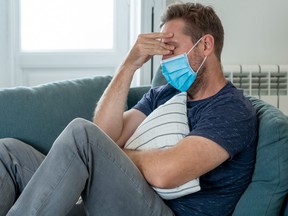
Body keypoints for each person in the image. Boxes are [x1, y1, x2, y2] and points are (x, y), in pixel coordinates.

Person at [0, 2, 257, 216]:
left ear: (205, 45)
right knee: (8, 151)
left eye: (172, 49)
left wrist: (113, 155)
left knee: (82, 134)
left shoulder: (231, 109)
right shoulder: (167, 94)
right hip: (118, 197)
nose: (165, 61)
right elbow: (106, 135)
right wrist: (129, 64)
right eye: (162, 51)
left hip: (164, 211)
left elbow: (166, 173)